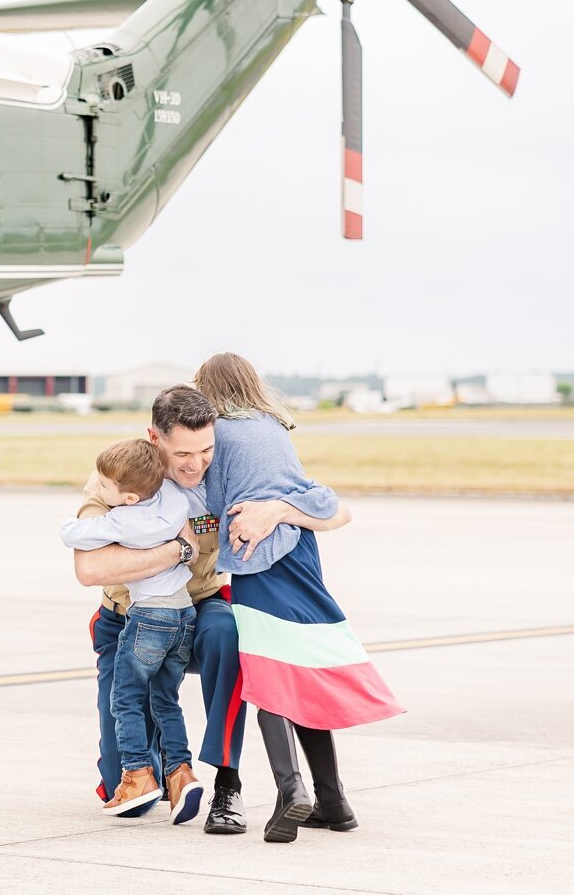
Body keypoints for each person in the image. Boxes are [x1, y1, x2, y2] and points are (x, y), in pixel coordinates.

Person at [72, 386, 350, 835]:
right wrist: (177, 549)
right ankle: (163, 767)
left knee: (228, 634)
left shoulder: (226, 474)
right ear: (155, 438)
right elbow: (90, 568)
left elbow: (338, 512)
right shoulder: (121, 474)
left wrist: (277, 510)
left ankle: (227, 784)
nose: (195, 464)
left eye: (206, 450)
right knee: (128, 796)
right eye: (182, 452)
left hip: (199, 607)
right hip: (130, 620)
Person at [194, 353, 403, 845]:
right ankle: (334, 803)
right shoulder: (273, 425)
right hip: (303, 553)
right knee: (301, 671)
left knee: (271, 679)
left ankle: (292, 792)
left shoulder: (219, 432)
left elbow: (211, 497)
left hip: (262, 560)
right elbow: (315, 495)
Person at [59, 439, 205, 823]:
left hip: (147, 620)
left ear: (128, 496)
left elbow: (72, 534)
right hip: (184, 615)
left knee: (124, 697)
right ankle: (180, 771)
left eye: (105, 486)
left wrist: (88, 519)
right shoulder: (175, 499)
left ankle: (138, 774)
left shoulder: (123, 520)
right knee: (165, 700)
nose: (99, 490)